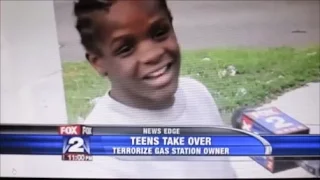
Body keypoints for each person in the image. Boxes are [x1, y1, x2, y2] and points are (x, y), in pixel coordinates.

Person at [74, 0, 237, 178]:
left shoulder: (197, 94)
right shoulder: (93, 155)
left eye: (160, 32)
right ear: (99, 63)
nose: (153, 54)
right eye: (125, 48)